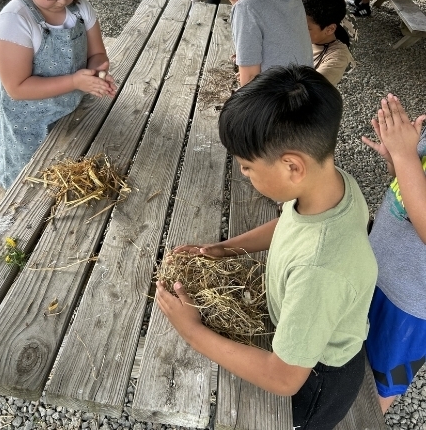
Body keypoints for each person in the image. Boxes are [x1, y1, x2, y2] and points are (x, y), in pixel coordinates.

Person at [156, 64, 378, 430]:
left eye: (246, 167)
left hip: (315, 379)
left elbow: (283, 378)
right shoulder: (332, 186)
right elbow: (291, 224)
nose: (244, 174)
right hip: (305, 331)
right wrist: (226, 248)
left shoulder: (319, 271)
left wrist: (192, 331)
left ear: (292, 166)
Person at [0, 0, 117, 189]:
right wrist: (75, 81)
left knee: (69, 184)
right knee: (29, 190)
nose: (63, 1)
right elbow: (17, 88)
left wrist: (97, 72)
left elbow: (97, 54)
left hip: (72, 114)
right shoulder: (15, 21)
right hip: (28, 128)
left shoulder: (80, 9)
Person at [362, 94, 426, 414]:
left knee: (379, 380)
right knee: (349, 346)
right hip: (375, 268)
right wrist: (397, 161)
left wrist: (405, 158)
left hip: (409, 306)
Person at [214, 0, 312, 87]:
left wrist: (246, 71)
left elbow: (249, 80)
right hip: (307, 88)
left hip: (279, 99)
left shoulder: (245, 7)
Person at [302, 0, 354, 86]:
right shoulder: (307, 36)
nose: (297, 30)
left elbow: (309, 92)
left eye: (306, 28)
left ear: (330, 29)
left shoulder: (338, 57)